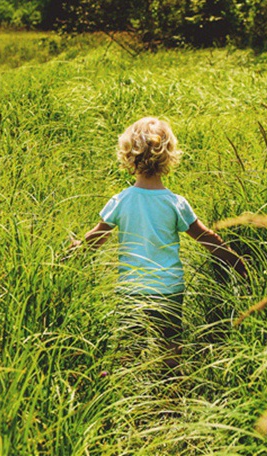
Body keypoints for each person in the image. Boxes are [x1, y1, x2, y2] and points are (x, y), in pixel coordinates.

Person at [73, 116, 246, 368]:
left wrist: (75, 251)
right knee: (170, 346)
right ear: (169, 156)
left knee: (128, 348)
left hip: (132, 288)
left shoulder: (122, 200)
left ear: (128, 155)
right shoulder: (175, 203)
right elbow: (207, 238)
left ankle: (115, 390)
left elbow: (97, 235)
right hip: (169, 289)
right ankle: (171, 395)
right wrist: (236, 261)